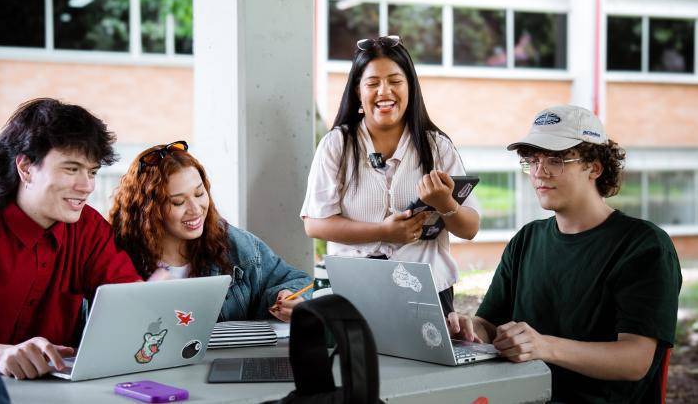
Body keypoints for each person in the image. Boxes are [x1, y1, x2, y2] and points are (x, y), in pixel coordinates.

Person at [448, 105, 682, 402]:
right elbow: (490, 325)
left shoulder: (643, 246)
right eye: (532, 160)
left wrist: (543, 346)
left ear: (594, 167)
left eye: (555, 160)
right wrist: (467, 332)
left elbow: (636, 360)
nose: (539, 172)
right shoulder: (526, 239)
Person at [0, 98, 142, 380]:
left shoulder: (90, 229)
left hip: (56, 394)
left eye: (92, 172)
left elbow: (130, 302)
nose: (87, 186)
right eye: (71, 169)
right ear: (25, 167)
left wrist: (154, 297)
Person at [301, 35, 480, 315]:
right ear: (358, 91)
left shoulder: (437, 146)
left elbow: (469, 228)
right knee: (359, 360)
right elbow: (315, 225)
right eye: (372, 83)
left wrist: (446, 204)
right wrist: (382, 231)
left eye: (395, 81)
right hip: (356, 291)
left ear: (410, 87)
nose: (384, 92)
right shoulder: (336, 144)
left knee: (424, 361)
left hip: (429, 291)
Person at [109, 141, 312, 322]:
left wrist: (289, 295)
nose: (196, 209)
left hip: (227, 361)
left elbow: (299, 281)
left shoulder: (234, 244)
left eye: (199, 193)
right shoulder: (115, 255)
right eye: (178, 202)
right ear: (149, 209)